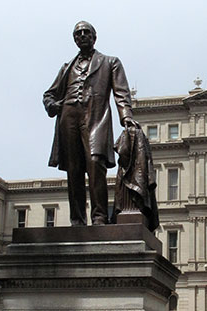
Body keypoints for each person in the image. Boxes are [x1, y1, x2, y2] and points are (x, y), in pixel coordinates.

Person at [43, 21, 138, 226]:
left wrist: (126, 117)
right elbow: (49, 94)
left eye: (86, 32)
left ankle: (99, 217)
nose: (82, 35)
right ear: (74, 39)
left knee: (95, 164)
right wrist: (52, 105)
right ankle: (77, 219)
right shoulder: (66, 67)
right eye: (78, 33)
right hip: (68, 117)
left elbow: (121, 93)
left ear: (94, 37)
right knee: (74, 168)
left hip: (95, 117)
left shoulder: (110, 62)